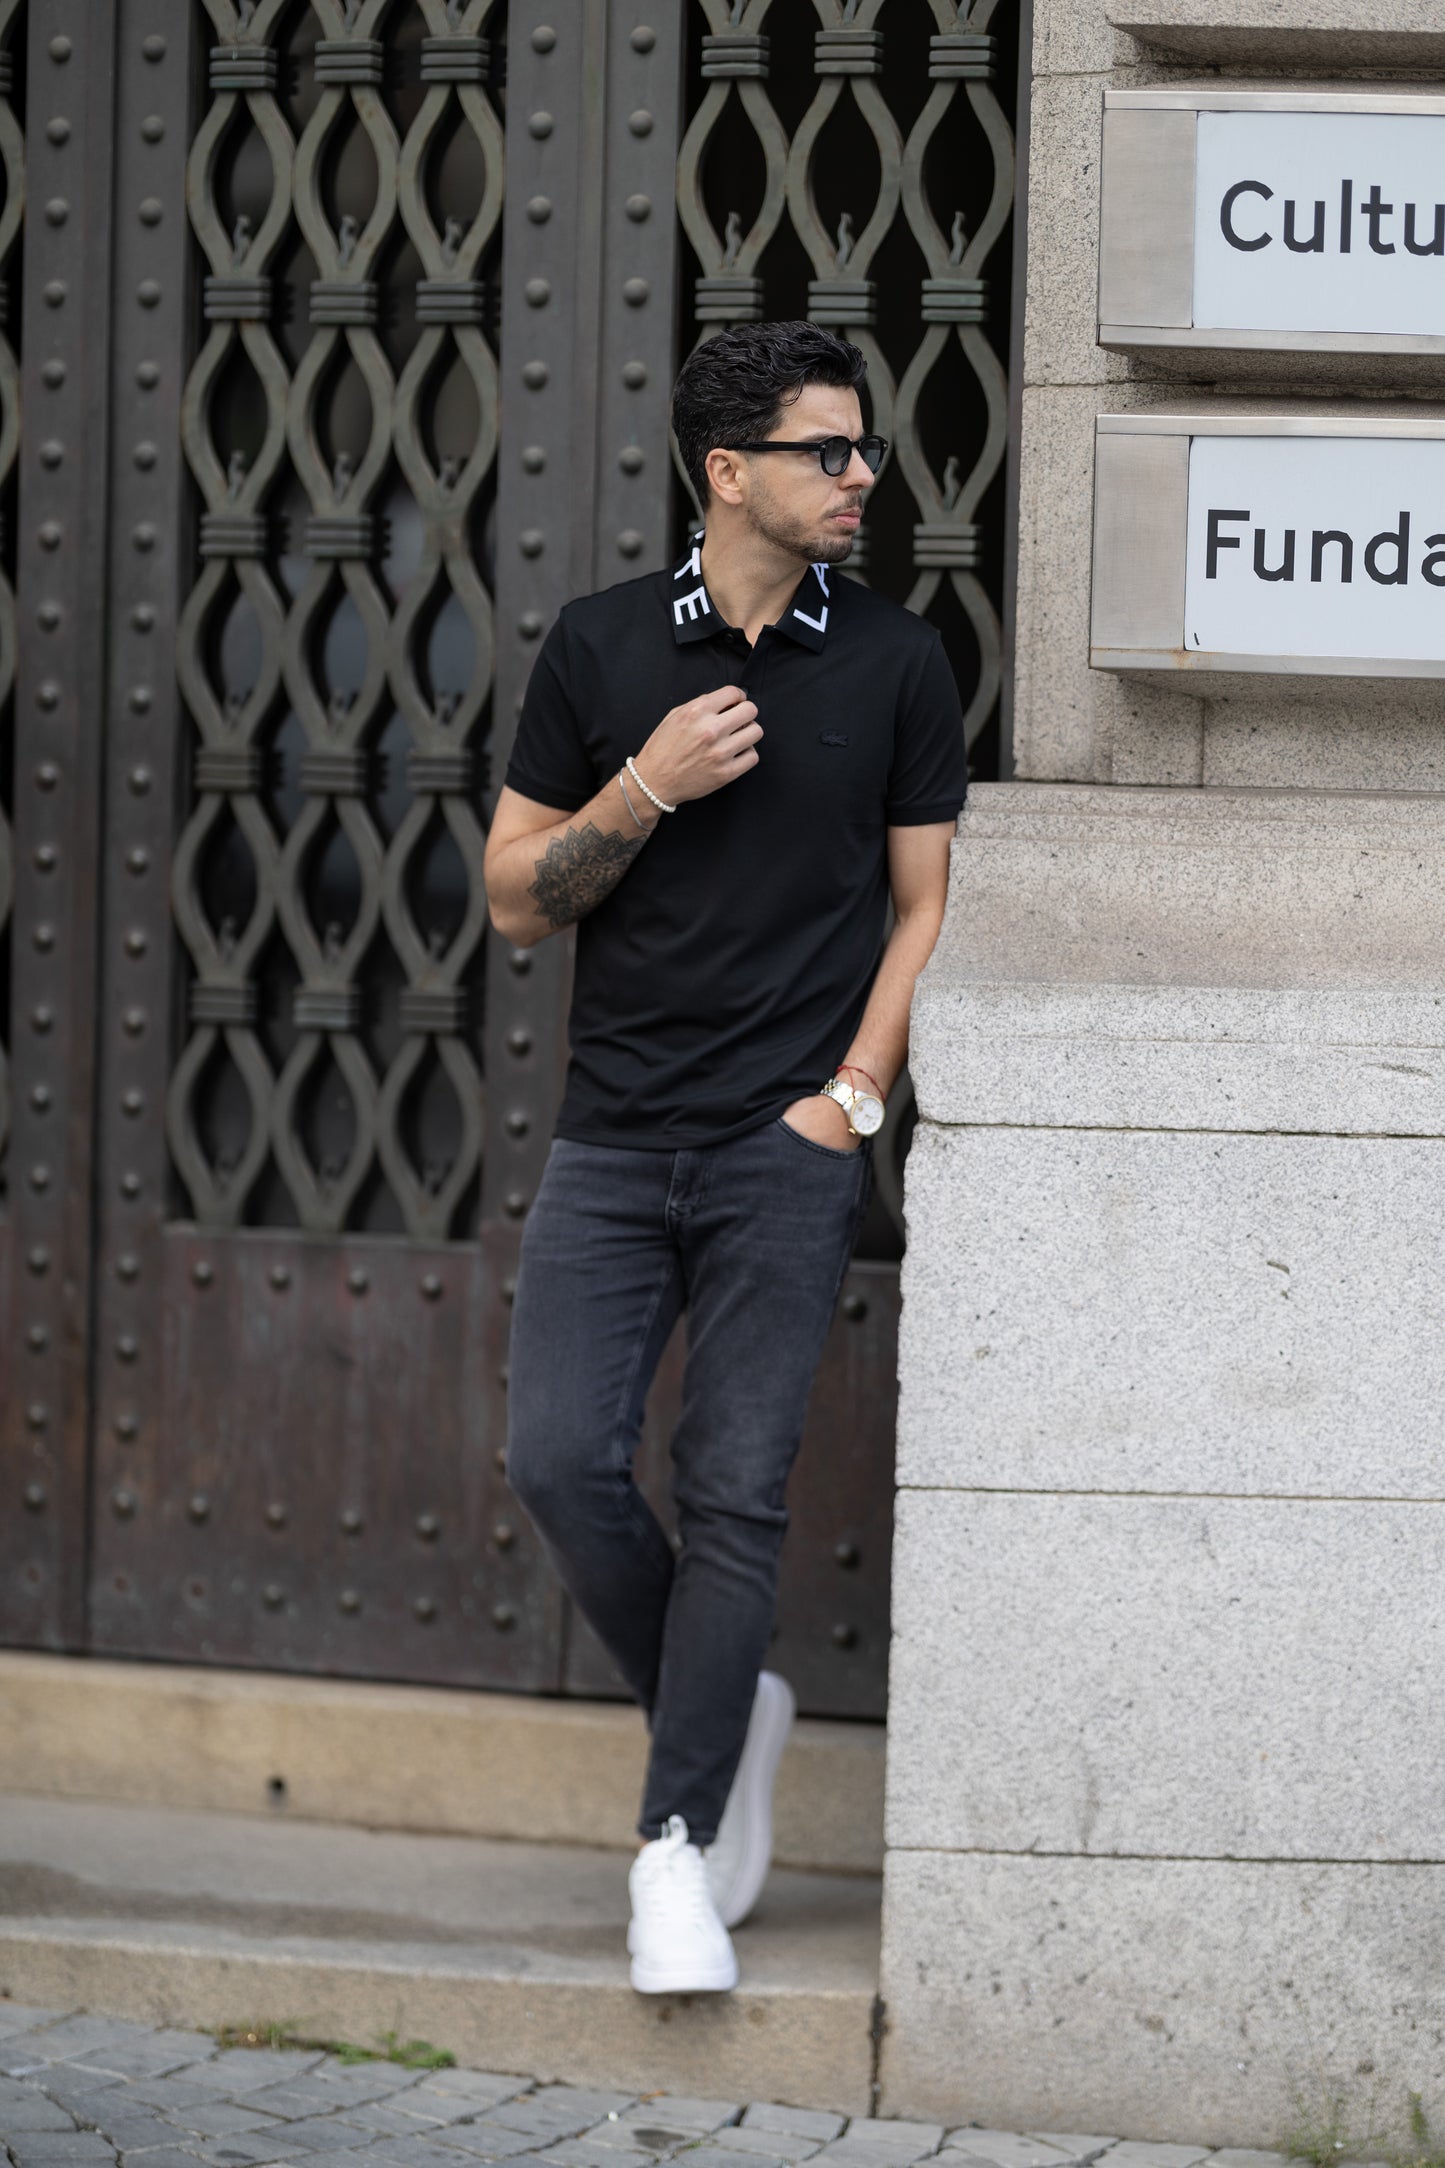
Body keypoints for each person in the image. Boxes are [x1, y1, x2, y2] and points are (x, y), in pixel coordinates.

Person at [483, 319, 966, 1995]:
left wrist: (852, 1097)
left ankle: (673, 1850)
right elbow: (514, 897)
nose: (859, 475)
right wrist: (644, 783)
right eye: (826, 450)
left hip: (785, 1146)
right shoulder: (603, 646)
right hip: (616, 1137)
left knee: (736, 1491)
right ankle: (724, 1701)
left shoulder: (896, 661)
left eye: (862, 448)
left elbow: (922, 909)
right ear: (727, 472)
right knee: (557, 1460)